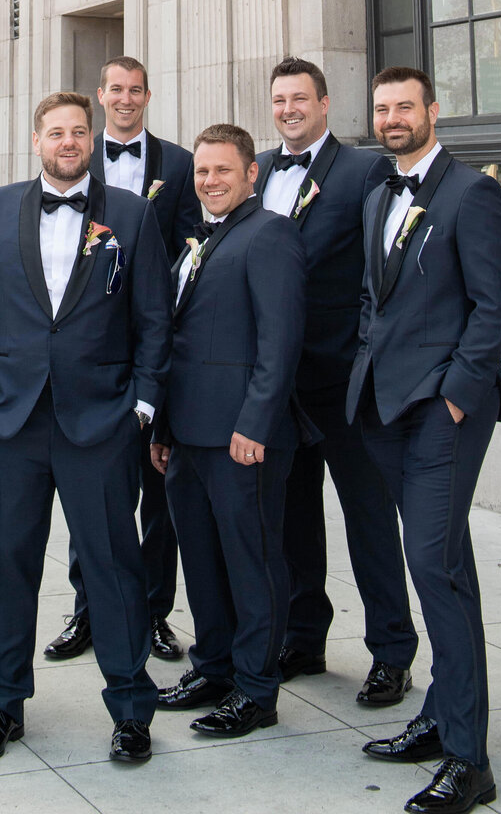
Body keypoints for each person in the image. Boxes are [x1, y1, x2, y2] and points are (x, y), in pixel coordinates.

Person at [0, 91, 172, 767]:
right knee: (2, 565)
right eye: (56, 132)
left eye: (79, 131)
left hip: (100, 420)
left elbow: (154, 319)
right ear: (37, 140)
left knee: (112, 565)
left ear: (92, 137)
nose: (68, 142)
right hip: (6, 420)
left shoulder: (130, 215)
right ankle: (2, 705)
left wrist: (141, 405)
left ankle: (132, 708)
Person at [350, 67, 501, 814]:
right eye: (383, 109)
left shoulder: (474, 193)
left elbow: (494, 304)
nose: (394, 118)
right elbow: (375, 299)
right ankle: (439, 715)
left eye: (406, 107)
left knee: (433, 564)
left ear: (433, 112)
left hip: (444, 413)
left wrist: (460, 397)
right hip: (384, 412)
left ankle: (470, 762)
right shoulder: (375, 194)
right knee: (444, 564)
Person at [253, 57, 417, 707]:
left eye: (300, 98)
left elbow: (384, 272)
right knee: (293, 519)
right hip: (281, 388)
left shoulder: (363, 171)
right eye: (279, 100)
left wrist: (369, 357)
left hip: (348, 383)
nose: (289, 109)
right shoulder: (259, 170)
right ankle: (304, 636)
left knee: (369, 519)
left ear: (325, 104)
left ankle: (392, 652)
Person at [152, 124, 309, 736]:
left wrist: (256, 423)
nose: (211, 181)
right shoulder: (200, 238)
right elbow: (180, 341)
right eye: (202, 172)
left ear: (252, 175)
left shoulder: (270, 234)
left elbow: (280, 340)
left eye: (223, 170)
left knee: (252, 561)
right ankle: (213, 665)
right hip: (188, 433)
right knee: (202, 559)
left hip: (242, 437)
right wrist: (164, 426)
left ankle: (255, 688)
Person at [47, 55, 197, 667]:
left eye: (136, 90)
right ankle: (89, 609)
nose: (126, 99)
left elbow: (195, 242)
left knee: (158, 492)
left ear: (149, 94)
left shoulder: (180, 165)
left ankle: (155, 612)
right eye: (116, 90)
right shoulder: (75, 161)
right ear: (100, 95)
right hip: (93, 354)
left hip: (156, 344)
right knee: (93, 489)